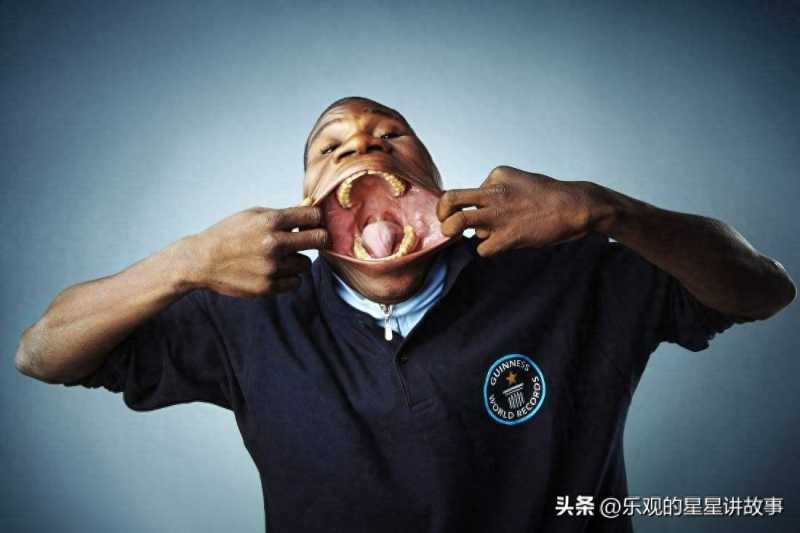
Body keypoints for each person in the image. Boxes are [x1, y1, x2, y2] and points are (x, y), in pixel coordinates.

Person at [15, 96, 795, 533]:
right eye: (332, 148)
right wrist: (186, 260)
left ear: (434, 180)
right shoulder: (248, 312)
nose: (365, 148)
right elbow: (42, 351)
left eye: (392, 137)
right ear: (308, 207)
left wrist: (602, 209)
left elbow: (764, 288)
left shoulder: (566, 271)